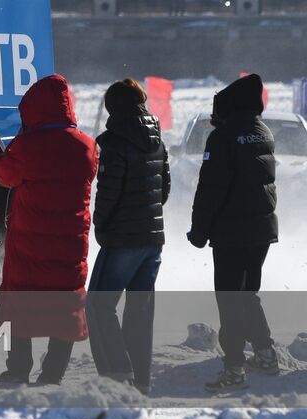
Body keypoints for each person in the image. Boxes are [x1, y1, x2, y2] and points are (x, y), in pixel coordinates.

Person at [0, 74, 97, 386]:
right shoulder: (87, 147)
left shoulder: (28, 146)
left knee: (22, 302)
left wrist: (21, 139)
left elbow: (2, 174)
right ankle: (53, 372)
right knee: (65, 304)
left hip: (30, 246)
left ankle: (18, 369)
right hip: (70, 245)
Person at [189, 72, 279, 394]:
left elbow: (210, 190)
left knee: (229, 300)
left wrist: (198, 232)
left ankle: (234, 368)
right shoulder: (261, 131)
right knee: (246, 295)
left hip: (232, 232)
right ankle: (266, 355)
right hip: (261, 229)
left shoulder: (223, 138)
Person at [86, 78, 169, 395]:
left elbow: (108, 194)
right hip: (153, 238)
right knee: (140, 309)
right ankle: (141, 382)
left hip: (123, 237)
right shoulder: (157, 139)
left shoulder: (113, 141)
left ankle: (118, 376)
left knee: (97, 305)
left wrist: (101, 225)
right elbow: (164, 189)